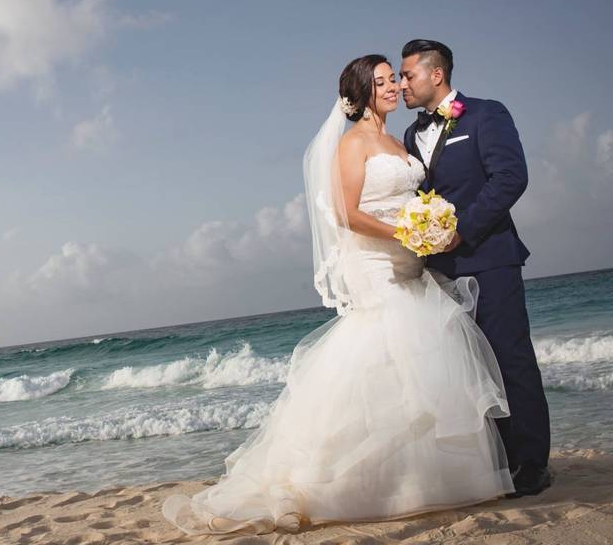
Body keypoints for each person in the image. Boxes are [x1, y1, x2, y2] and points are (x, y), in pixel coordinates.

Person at [162, 54, 515, 536]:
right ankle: (310, 480)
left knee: (418, 369)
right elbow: (348, 215)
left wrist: (423, 231)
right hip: (376, 263)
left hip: (411, 263)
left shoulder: (399, 139)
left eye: (396, 79)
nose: (393, 87)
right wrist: (405, 234)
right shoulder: (352, 144)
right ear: (362, 91)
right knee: (382, 356)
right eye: (384, 81)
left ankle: (409, 482)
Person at [399, 39, 551, 497]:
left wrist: (462, 230)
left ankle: (531, 464)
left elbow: (511, 177)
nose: (402, 84)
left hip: (490, 259)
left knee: (511, 360)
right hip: (438, 272)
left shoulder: (486, 115)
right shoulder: (409, 136)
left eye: (408, 75)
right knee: (470, 370)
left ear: (436, 74)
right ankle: (496, 461)